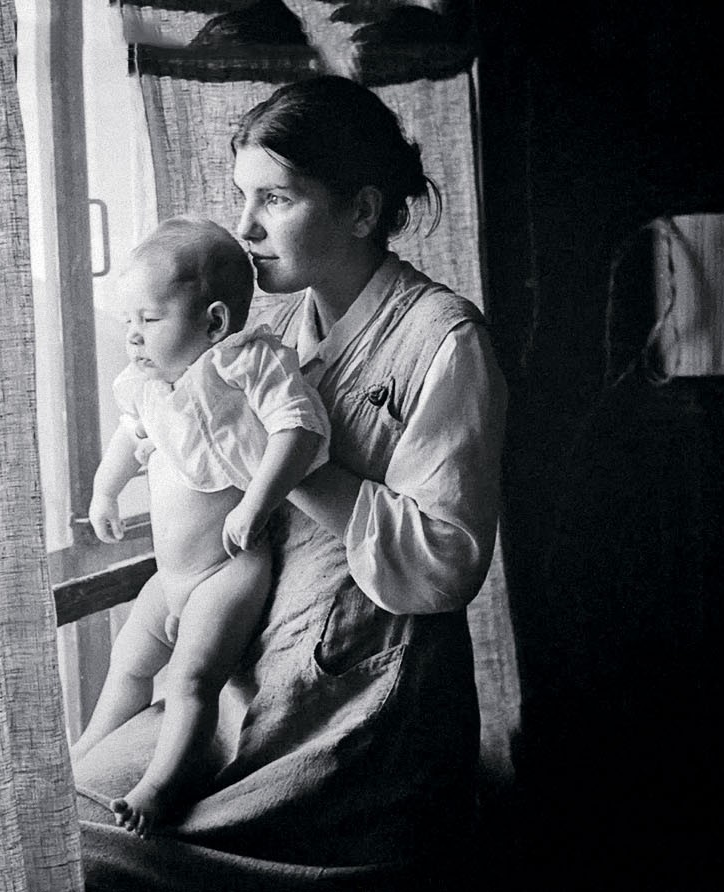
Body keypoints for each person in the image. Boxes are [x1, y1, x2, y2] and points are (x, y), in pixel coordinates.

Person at [73, 74, 508, 890]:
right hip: (252, 682)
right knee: (58, 816)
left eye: (273, 199)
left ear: (362, 211)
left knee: (94, 857)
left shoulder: (446, 341)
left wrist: (292, 463)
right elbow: (183, 453)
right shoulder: (267, 337)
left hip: (363, 716)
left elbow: (447, 563)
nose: (244, 229)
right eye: (242, 198)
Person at [70, 215, 330, 836]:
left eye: (150, 319)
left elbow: (298, 428)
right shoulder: (149, 385)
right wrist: (105, 490)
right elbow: (129, 437)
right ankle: (87, 751)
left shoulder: (245, 364)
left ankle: (161, 786)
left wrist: (256, 503)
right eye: (128, 322)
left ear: (214, 323)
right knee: (129, 662)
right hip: (172, 576)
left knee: (192, 679)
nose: (133, 336)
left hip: (227, 570)